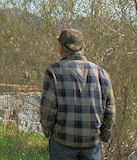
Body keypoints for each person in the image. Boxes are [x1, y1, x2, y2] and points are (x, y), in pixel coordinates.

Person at [40, 29, 115, 160]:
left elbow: (47, 110)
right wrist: (104, 136)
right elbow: (110, 111)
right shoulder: (102, 74)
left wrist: (48, 133)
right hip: (92, 144)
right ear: (82, 48)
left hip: (62, 144)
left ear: (61, 48)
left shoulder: (54, 72)